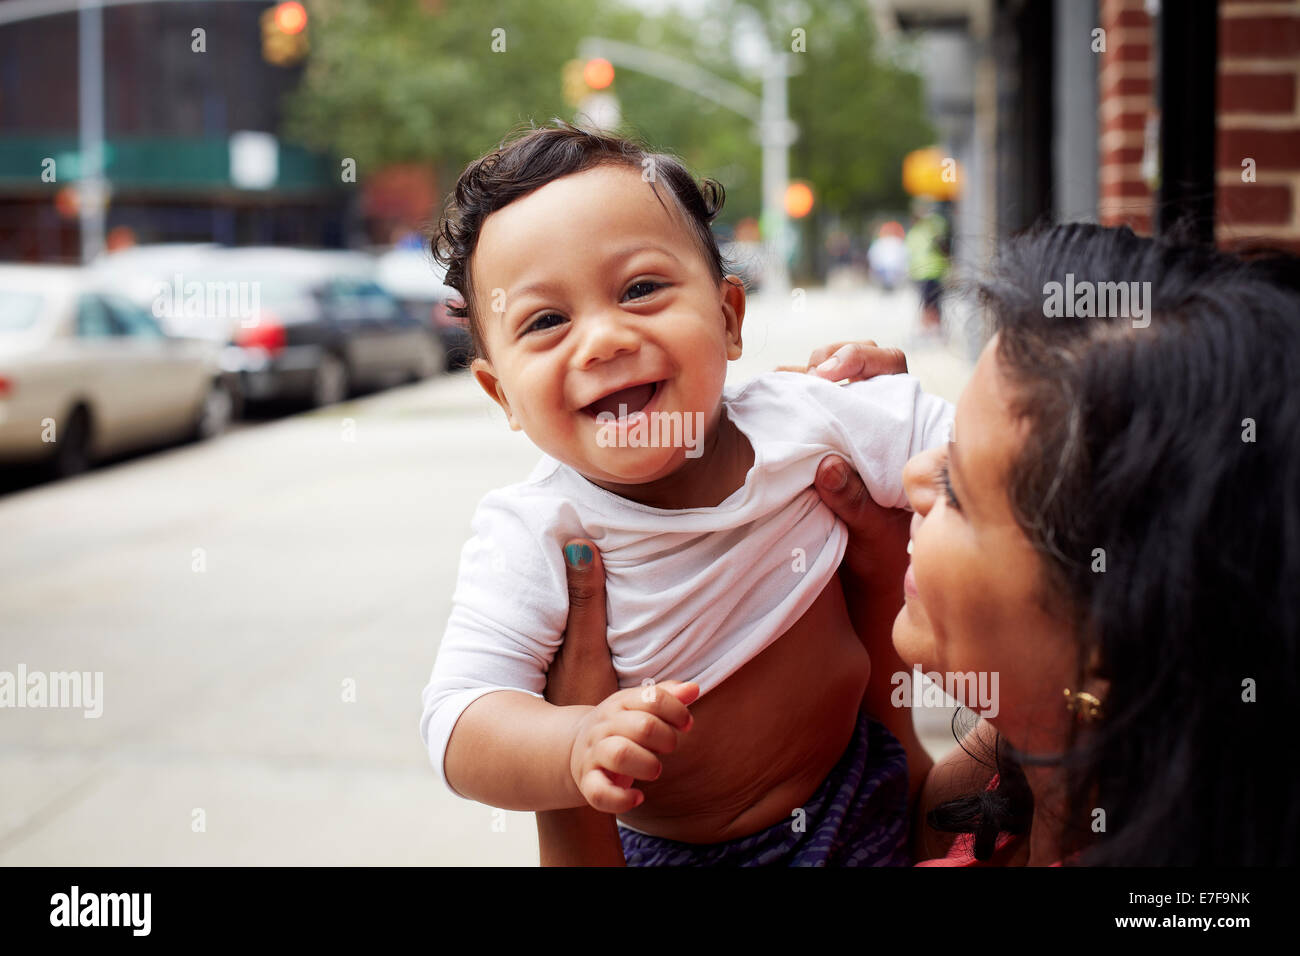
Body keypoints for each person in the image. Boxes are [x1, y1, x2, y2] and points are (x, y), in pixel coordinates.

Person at [538, 222, 1300, 866]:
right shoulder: (1029, 767)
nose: (911, 473)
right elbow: (895, 825)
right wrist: (873, 572)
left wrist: (567, 778)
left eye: (960, 487)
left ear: (1119, 620)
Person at [417, 120, 954, 866]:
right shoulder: (537, 530)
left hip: (861, 795)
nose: (603, 339)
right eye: (546, 320)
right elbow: (459, 721)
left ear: (729, 318)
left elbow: (986, 462)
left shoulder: (812, 417)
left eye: (640, 289)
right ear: (499, 392)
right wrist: (572, 743)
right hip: (672, 853)